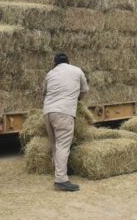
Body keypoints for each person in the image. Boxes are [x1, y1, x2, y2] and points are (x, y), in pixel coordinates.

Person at [42, 53, 89, 192]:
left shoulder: (50, 73)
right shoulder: (77, 70)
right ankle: (61, 180)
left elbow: (43, 91)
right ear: (68, 61)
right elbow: (85, 90)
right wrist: (78, 99)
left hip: (48, 112)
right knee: (63, 145)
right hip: (64, 112)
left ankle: (57, 172)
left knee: (54, 144)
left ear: (54, 62)